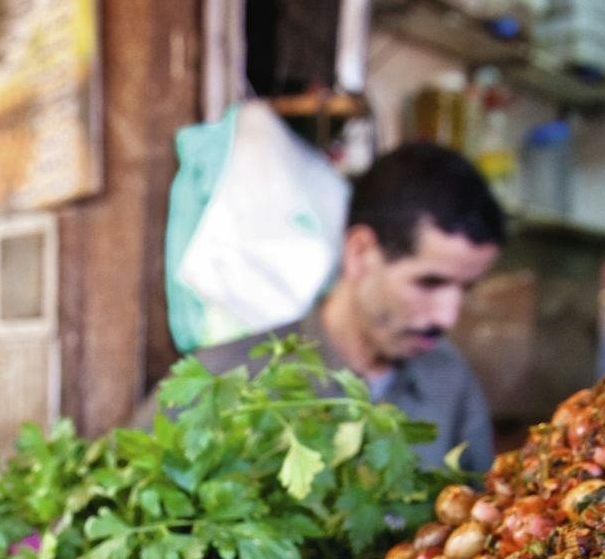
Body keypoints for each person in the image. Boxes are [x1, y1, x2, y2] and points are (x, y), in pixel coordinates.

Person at [151, 141, 506, 472]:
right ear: (360, 253)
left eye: (466, 288)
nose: (448, 316)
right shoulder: (221, 382)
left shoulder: (449, 379)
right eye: (429, 283)